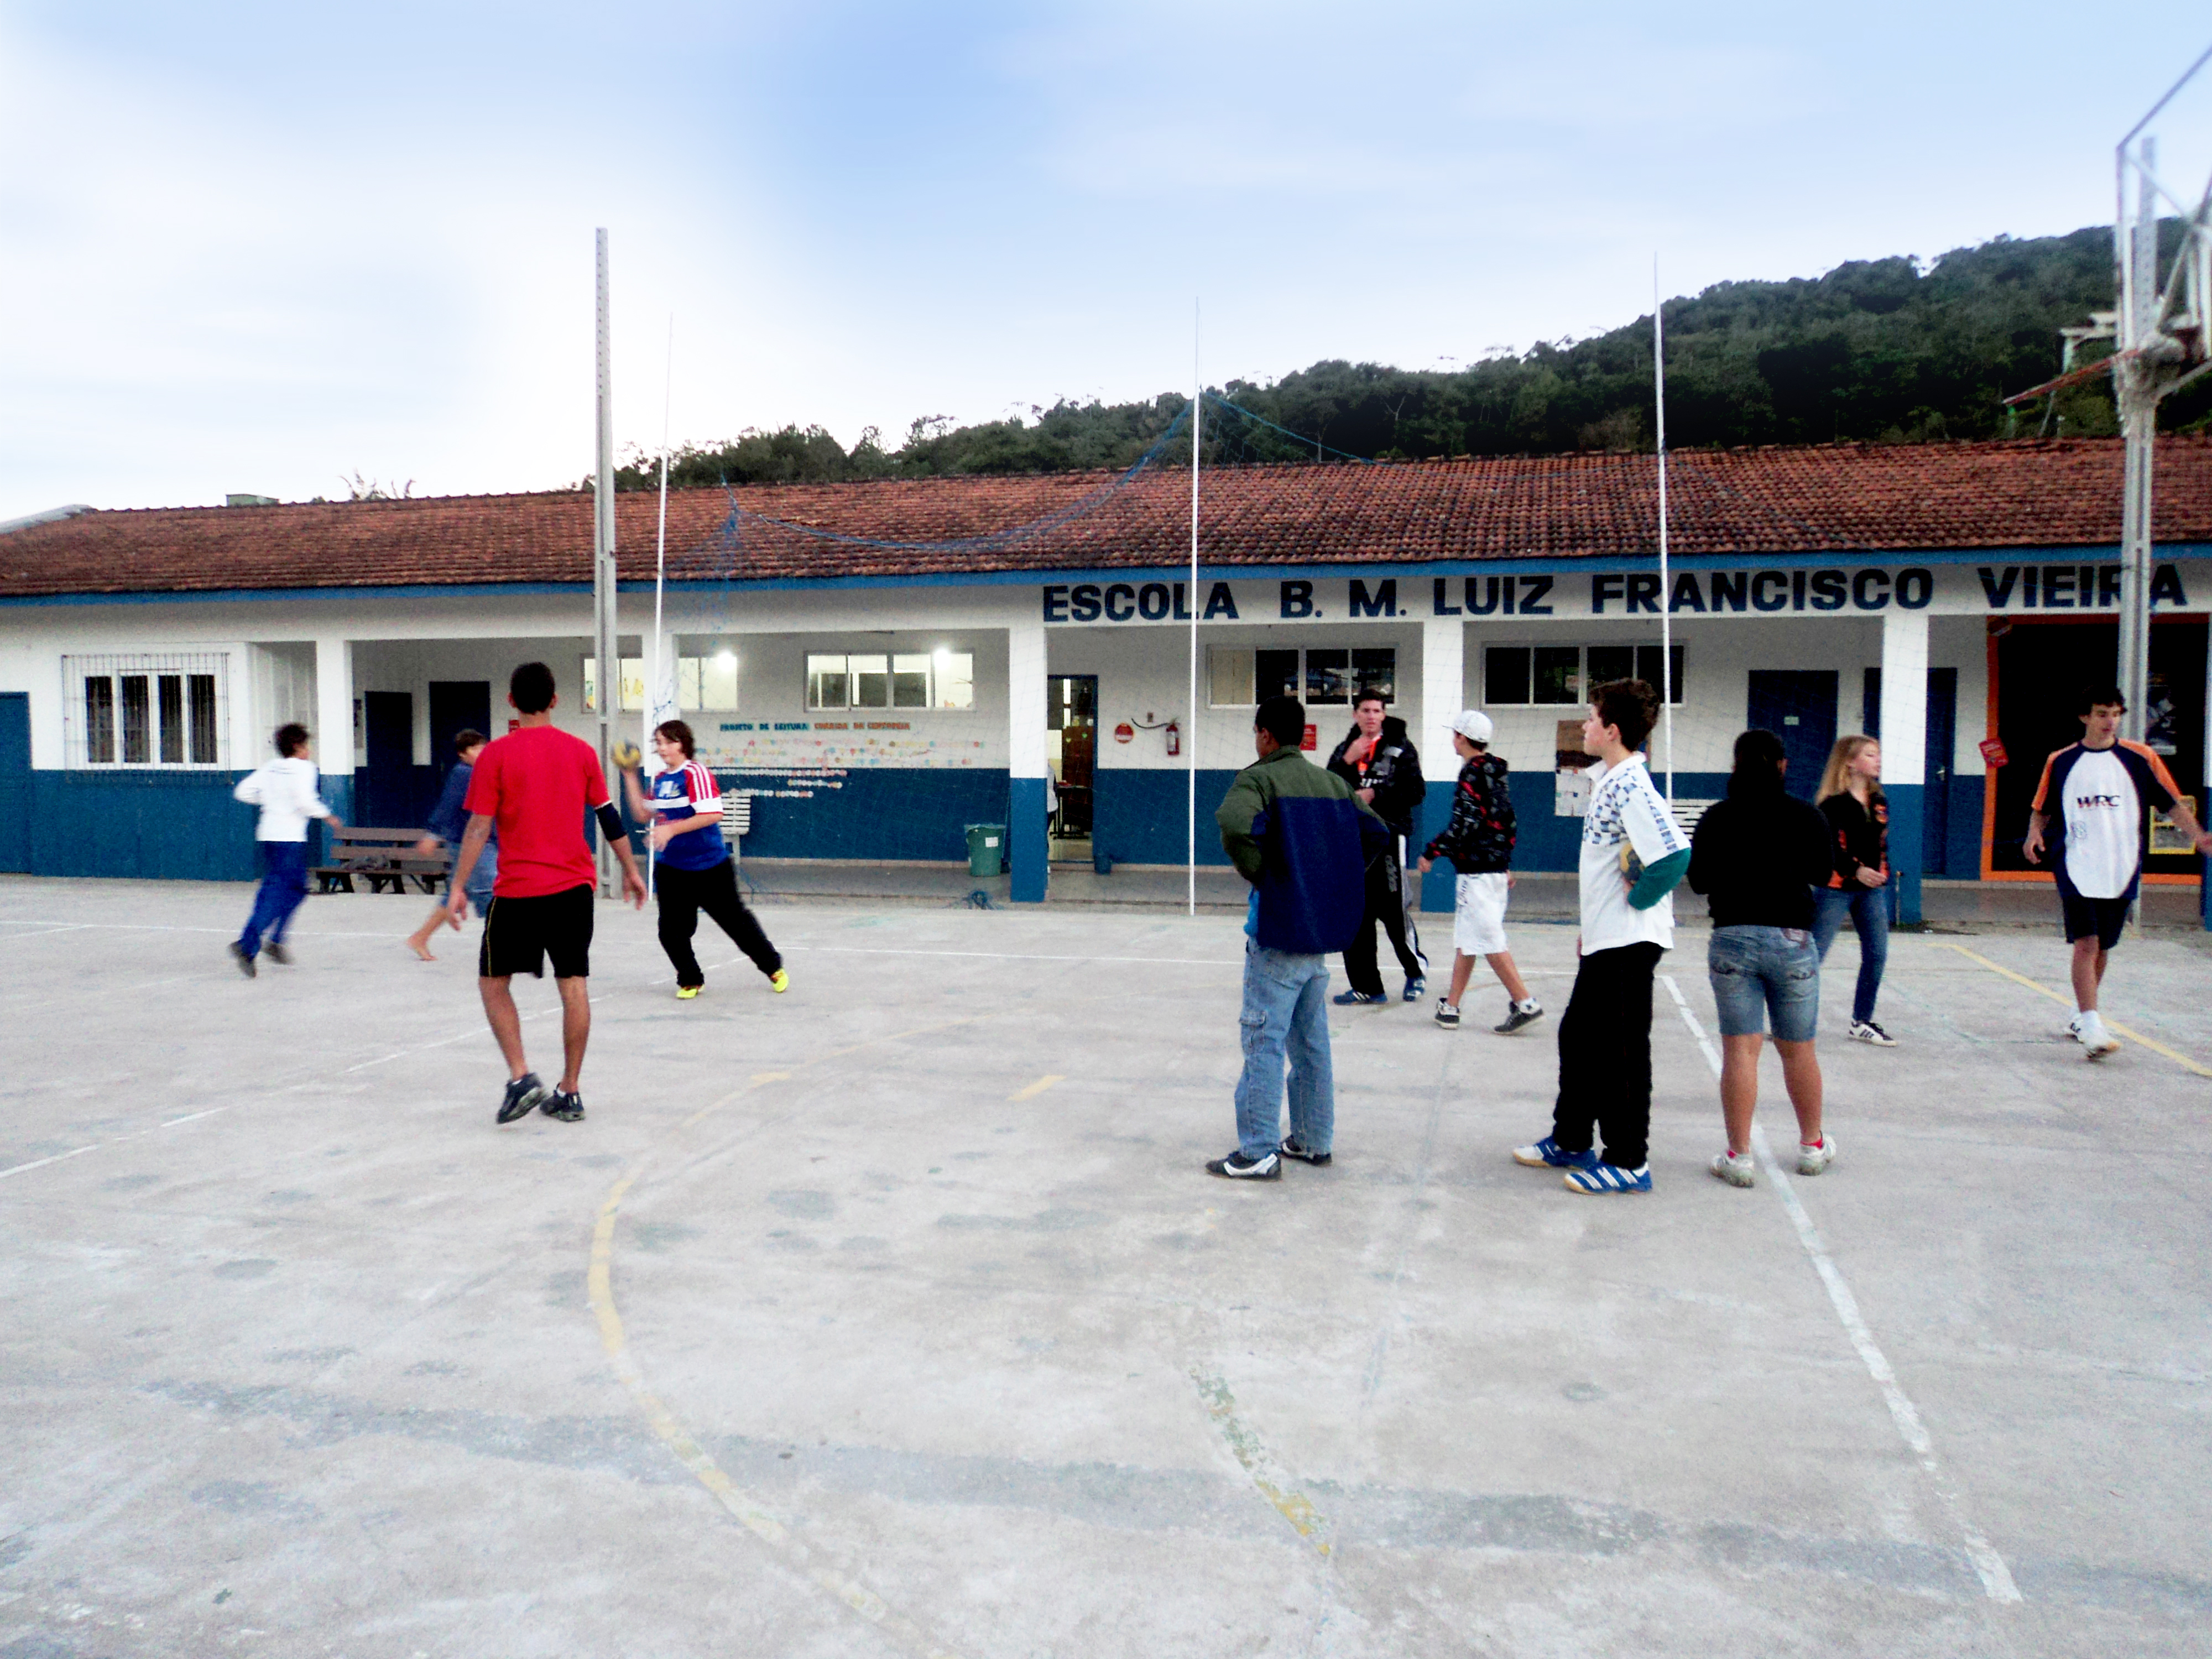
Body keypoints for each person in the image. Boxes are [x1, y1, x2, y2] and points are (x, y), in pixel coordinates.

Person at [446, 662, 647, 1125]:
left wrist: (458, 885)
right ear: (555, 700)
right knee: (573, 985)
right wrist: (631, 871)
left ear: (512, 702)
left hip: (517, 890)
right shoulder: (580, 752)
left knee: (493, 983)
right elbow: (609, 817)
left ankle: (521, 1077)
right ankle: (570, 1092)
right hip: (573, 888)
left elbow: (478, 827)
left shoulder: (495, 756)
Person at [1512, 679, 1689, 1194]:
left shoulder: (1632, 784)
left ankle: (1629, 1159)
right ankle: (1571, 1139)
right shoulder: (1611, 780)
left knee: (1622, 1051)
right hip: (1606, 940)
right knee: (1579, 1035)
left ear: (1611, 731)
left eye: (1591, 718)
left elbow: (1675, 855)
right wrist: (1595, 930)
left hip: (1630, 943)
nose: (1585, 725)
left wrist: (1633, 907)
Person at [1209, 693, 1389, 1180]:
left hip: (1278, 933)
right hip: (1316, 940)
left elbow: (1232, 822)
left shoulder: (1259, 777)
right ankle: (1312, 1139)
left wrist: (1266, 875)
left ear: (1265, 735)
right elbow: (1376, 832)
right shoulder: (1332, 783)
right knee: (1311, 1044)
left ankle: (1258, 1150)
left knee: (1262, 1042)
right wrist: (1329, 882)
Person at [2022, 682, 2212, 1060]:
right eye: (2102, 714)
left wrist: (2200, 837)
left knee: (2104, 947)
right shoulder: (2060, 760)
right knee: (2086, 943)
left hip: (2122, 866)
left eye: (2116, 714)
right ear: (2085, 717)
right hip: (2076, 864)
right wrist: (2033, 835)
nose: (2110, 722)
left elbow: (2170, 804)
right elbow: (2042, 806)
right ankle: (2093, 1025)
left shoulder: (2140, 758)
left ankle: (2080, 1015)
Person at [1687, 729, 1837, 1188]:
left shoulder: (1717, 817)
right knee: (1799, 1049)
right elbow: (1823, 871)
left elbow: (1698, 881)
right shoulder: (1806, 815)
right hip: (1791, 939)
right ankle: (1812, 1147)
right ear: (1783, 766)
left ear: (1735, 767)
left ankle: (1740, 1155)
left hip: (1732, 938)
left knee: (1741, 1049)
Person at [620, 719, 787, 1000]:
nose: (660, 748)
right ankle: (691, 980)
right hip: (672, 869)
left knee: (737, 925)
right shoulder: (661, 780)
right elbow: (641, 813)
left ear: (681, 744)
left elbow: (712, 814)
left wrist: (671, 829)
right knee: (671, 932)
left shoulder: (695, 773)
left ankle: (773, 967)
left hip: (710, 867)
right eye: (657, 743)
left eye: (665, 742)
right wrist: (629, 777)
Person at [1416, 710, 1542, 1034]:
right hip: (1493, 869)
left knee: (1488, 938)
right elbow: (1506, 821)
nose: (1453, 740)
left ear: (1461, 737)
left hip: (1478, 873)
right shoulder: (1496, 773)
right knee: (1468, 940)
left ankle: (1525, 1002)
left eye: (1454, 734)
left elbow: (1464, 825)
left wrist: (1432, 851)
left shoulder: (1471, 775)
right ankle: (1451, 1007)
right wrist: (1505, 861)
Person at [1326, 690, 1428, 1005]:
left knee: (1394, 910)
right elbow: (1328, 787)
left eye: (1377, 711)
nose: (1371, 716)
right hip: (1352, 841)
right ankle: (1368, 986)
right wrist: (1347, 761)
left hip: (1388, 838)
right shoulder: (1345, 749)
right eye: (1365, 710)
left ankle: (1415, 972)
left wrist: (1376, 795)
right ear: (1355, 714)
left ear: (1384, 715)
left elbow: (1416, 791)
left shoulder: (1401, 748)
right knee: (1356, 913)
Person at [228, 722, 341, 977]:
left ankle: (275, 942)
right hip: (290, 838)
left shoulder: (271, 767)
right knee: (283, 891)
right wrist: (327, 815)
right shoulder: (305, 769)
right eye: (307, 744)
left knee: (290, 889)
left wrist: (270, 801)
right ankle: (248, 943)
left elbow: (243, 792)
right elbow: (304, 800)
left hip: (269, 834)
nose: (310, 749)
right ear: (297, 746)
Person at [1812, 735, 1894, 1045]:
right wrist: (1857, 870)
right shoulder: (1833, 804)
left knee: (1877, 953)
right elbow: (1829, 849)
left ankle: (1862, 1021)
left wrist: (1880, 872)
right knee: (1814, 954)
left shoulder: (1879, 802)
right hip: (1838, 888)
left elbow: (1881, 844)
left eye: (1878, 755)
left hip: (1871, 890)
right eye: (1870, 755)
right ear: (1850, 762)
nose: (1878, 760)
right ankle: (1790, 1015)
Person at [405, 729, 495, 962]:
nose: (481, 752)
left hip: (480, 842)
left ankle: (420, 937)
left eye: (483, 747)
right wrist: (433, 834)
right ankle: (500, 943)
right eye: (475, 749)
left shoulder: (481, 772)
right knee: (490, 888)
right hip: (469, 843)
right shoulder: (464, 774)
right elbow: (448, 804)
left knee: (457, 892)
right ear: (462, 755)